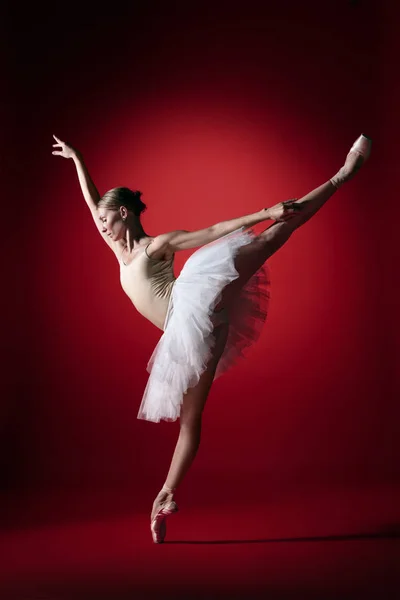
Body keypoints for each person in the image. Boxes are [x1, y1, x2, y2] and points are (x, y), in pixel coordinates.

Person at [52, 132, 372, 543]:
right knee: (190, 419)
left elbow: (214, 230)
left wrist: (264, 211)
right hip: (189, 335)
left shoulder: (156, 246)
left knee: (275, 233)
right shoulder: (118, 250)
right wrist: (78, 158)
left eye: (107, 219)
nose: (102, 227)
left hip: (196, 299)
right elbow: (92, 200)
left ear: (126, 214)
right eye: (99, 220)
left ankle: (342, 175)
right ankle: (165, 496)